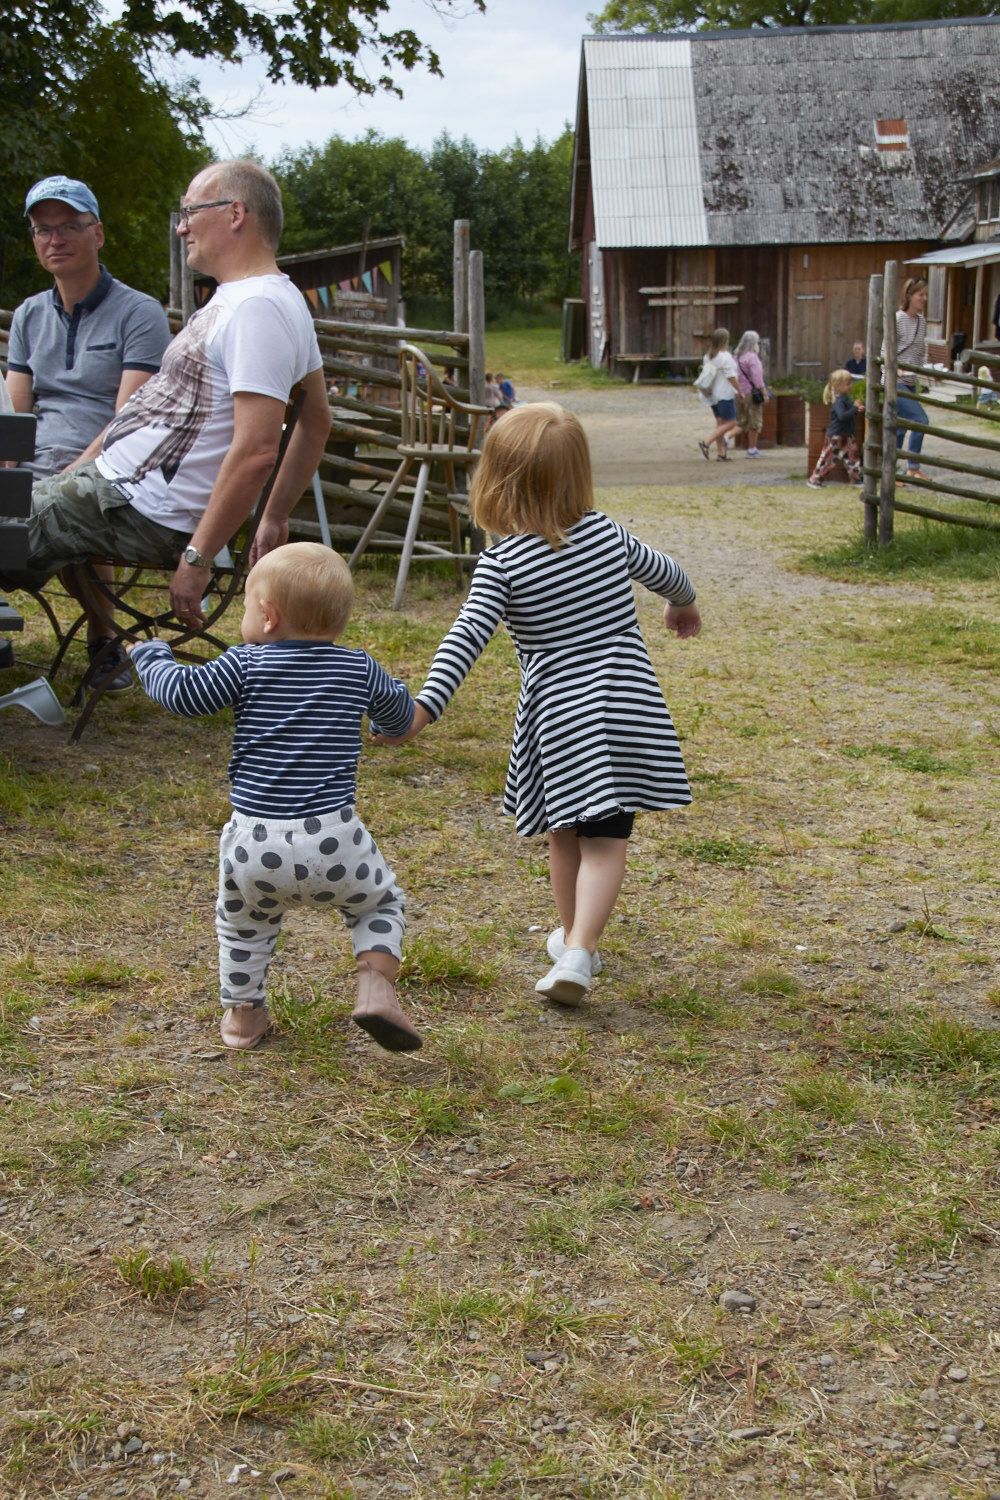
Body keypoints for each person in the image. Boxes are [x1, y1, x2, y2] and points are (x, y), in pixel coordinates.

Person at [373, 403, 701, 1005]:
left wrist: (423, 708)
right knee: (607, 838)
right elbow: (670, 574)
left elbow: (465, 638)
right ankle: (579, 944)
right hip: (628, 705)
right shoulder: (608, 533)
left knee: (566, 833)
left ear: (497, 481)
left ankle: (580, 947)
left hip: (563, 719)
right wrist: (682, 605)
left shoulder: (503, 562)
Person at [0, 160, 332, 644]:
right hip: (114, 490)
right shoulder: (257, 298)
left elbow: (258, 450)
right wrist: (275, 515)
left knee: (7, 536)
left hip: (137, 507)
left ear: (235, 213)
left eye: (190, 212)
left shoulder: (257, 309)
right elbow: (318, 420)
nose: (181, 227)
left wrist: (199, 558)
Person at [127, 543, 423, 1053]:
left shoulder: (244, 664)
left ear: (267, 616)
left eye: (245, 607)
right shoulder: (359, 669)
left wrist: (150, 656)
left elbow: (181, 695)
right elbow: (400, 717)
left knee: (243, 923)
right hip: (335, 839)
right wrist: (379, 718)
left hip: (255, 843)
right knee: (380, 904)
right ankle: (375, 988)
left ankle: (244, 1016)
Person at [3, 175, 173, 691]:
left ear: (97, 234)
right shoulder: (30, 314)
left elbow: (128, 420)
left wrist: (73, 471)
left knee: (78, 501)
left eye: (69, 226)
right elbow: (15, 411)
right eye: (42, 229)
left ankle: (104, 638)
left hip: (110, 463)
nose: (55, 238)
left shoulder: (139, 312)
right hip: (35, 457)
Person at [891, 277, 929, 482]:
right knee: (920, 420)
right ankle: (913, 466)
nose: (924, 298)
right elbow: (887, 348)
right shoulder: (898, 318)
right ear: (909, 296)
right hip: (895, 380)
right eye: (920, 294)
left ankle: (892, 471)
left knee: (900, 428)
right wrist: (893, 368)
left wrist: (926, 367)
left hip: (911, 379)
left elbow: (918, 351)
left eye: (925, 294)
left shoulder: (922, 322)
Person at [807, 370, 864, 489]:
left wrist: (856, 409)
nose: (850, 386)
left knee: (852, 457)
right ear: (837, 386)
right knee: (828, 458)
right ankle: (815, 478)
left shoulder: (845, 399)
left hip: (846, 434)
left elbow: (848, 414)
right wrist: (854, 408)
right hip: (837, 435)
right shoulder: (839, 402)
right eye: (847, 384)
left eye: (850, 383)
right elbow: (842, 416)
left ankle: (856, 478)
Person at [697, 328, 740, 461]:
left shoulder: (708, 356)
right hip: (724, 394)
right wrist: (740, 391)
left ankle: (721, 453)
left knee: (720, 423)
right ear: (725, 341)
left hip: (712, 394)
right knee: (732, 423)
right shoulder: (724, 356)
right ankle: (706, 443)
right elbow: (731, 376)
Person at [733, 330, 769, 458]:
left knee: (742, 421)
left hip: (738, 393)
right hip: (750, 393)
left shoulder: (736, 357)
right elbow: (757, 378)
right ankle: (752, 449)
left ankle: (726, 437)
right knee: (754, 421)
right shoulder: (752, 357)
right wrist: (764, 393)